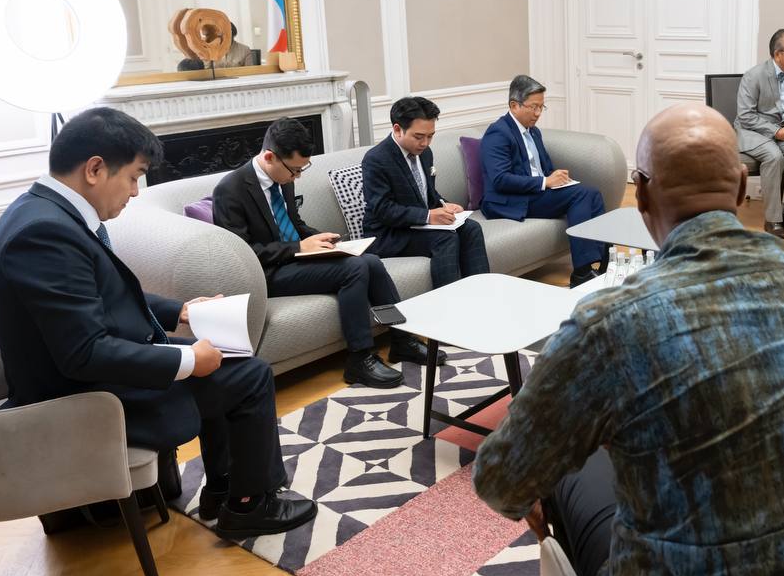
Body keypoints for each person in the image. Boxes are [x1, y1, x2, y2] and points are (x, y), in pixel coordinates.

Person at [473, 103, 784, 576]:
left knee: (569, 466)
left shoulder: (611, 322)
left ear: (640, 195)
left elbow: (500, 482)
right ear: (741, 187)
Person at [0, 107, 314, 539]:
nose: (136, 192)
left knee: (226, 359)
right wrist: (188, 361)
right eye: (134, 177)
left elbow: (101, 300)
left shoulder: (43, 213)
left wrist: (180, 311)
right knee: (248, 375)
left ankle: (223, 491)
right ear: (95, 169)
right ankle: (251, 505)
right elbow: (84, 353)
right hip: (82, 401)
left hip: (91, 377)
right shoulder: (44, 234)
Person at [212, 117, 438, 389]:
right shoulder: (230, 190)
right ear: (270, 157)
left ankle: (401, 338)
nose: (297, 177)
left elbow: (293, 223)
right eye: (295, 170)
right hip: (267, 274)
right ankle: (359, 359)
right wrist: (298, 247)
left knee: (371, 262)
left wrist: (319, 237)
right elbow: (241, 255)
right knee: (355, 269)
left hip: (295, 260)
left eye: (302, 169)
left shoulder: (282, 177)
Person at [479, 75, 607, 288]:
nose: (538, 113)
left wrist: (558, 178)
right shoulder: (498, 133)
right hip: (509, 200)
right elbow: (500, 179)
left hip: (534, 193)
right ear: (514, 105)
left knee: (592, 193)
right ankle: (582, 273)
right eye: (534, 107)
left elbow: (543, 167)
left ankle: (604, 264)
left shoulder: (533, 132)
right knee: (582, 195)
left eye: (541, 107)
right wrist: (545, 182)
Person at [362, 96, 490, 288]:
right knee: (444, 238)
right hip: (387, 234)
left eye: (430, 136)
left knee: (471, 229)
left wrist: (444, 204)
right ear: (397, 129)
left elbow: (426, 193)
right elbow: (383, 209)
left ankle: (481, 291)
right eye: (419, 136)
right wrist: (428, 216)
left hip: (417, 226)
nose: (425, 143)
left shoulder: (425, 153)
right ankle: (448, 300)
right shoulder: (376, 159)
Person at [735, 29, 784, 239]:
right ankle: (773, 219)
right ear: (778, 54)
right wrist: (778, 132)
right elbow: (745, 116)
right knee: (774, 156)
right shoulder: (753, 76)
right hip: (753, 131)